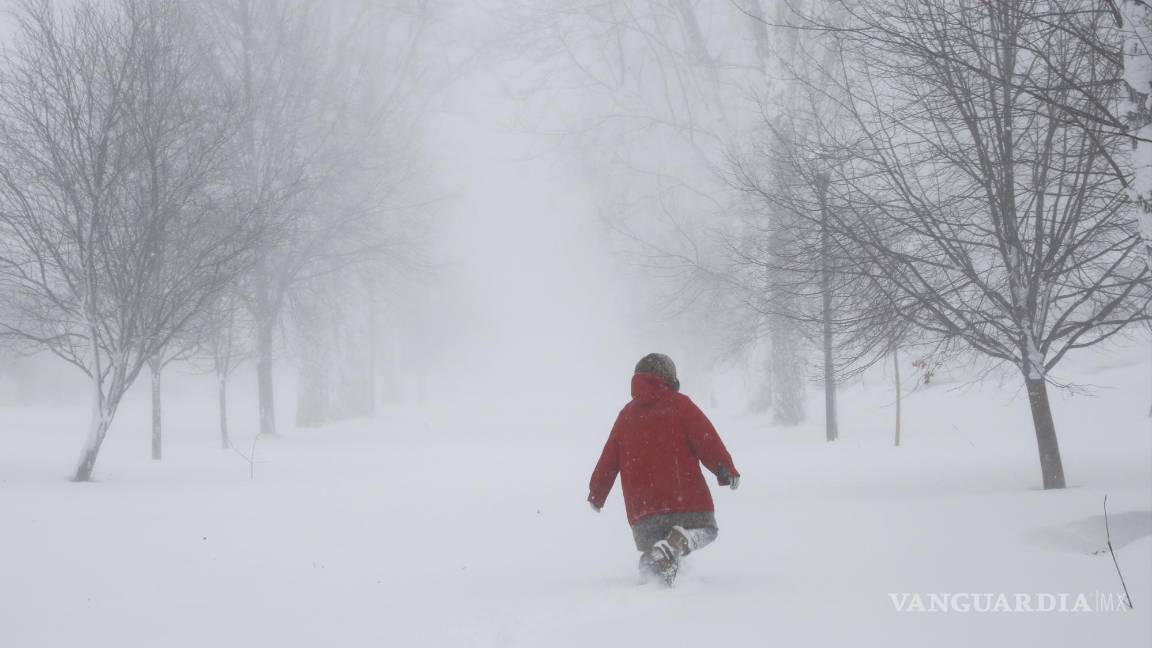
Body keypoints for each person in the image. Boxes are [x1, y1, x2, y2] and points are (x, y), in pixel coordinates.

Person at [587, 353, 740, 585]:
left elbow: (608, 459)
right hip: (685, 501)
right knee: (707, 530)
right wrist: (725, 468)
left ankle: (653, 574)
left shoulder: (626, 416)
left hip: (644, 511)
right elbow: (706, 439)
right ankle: (680, 543)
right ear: (669, 377)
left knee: (656, 549)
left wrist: (597, 494)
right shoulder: (680, 405)